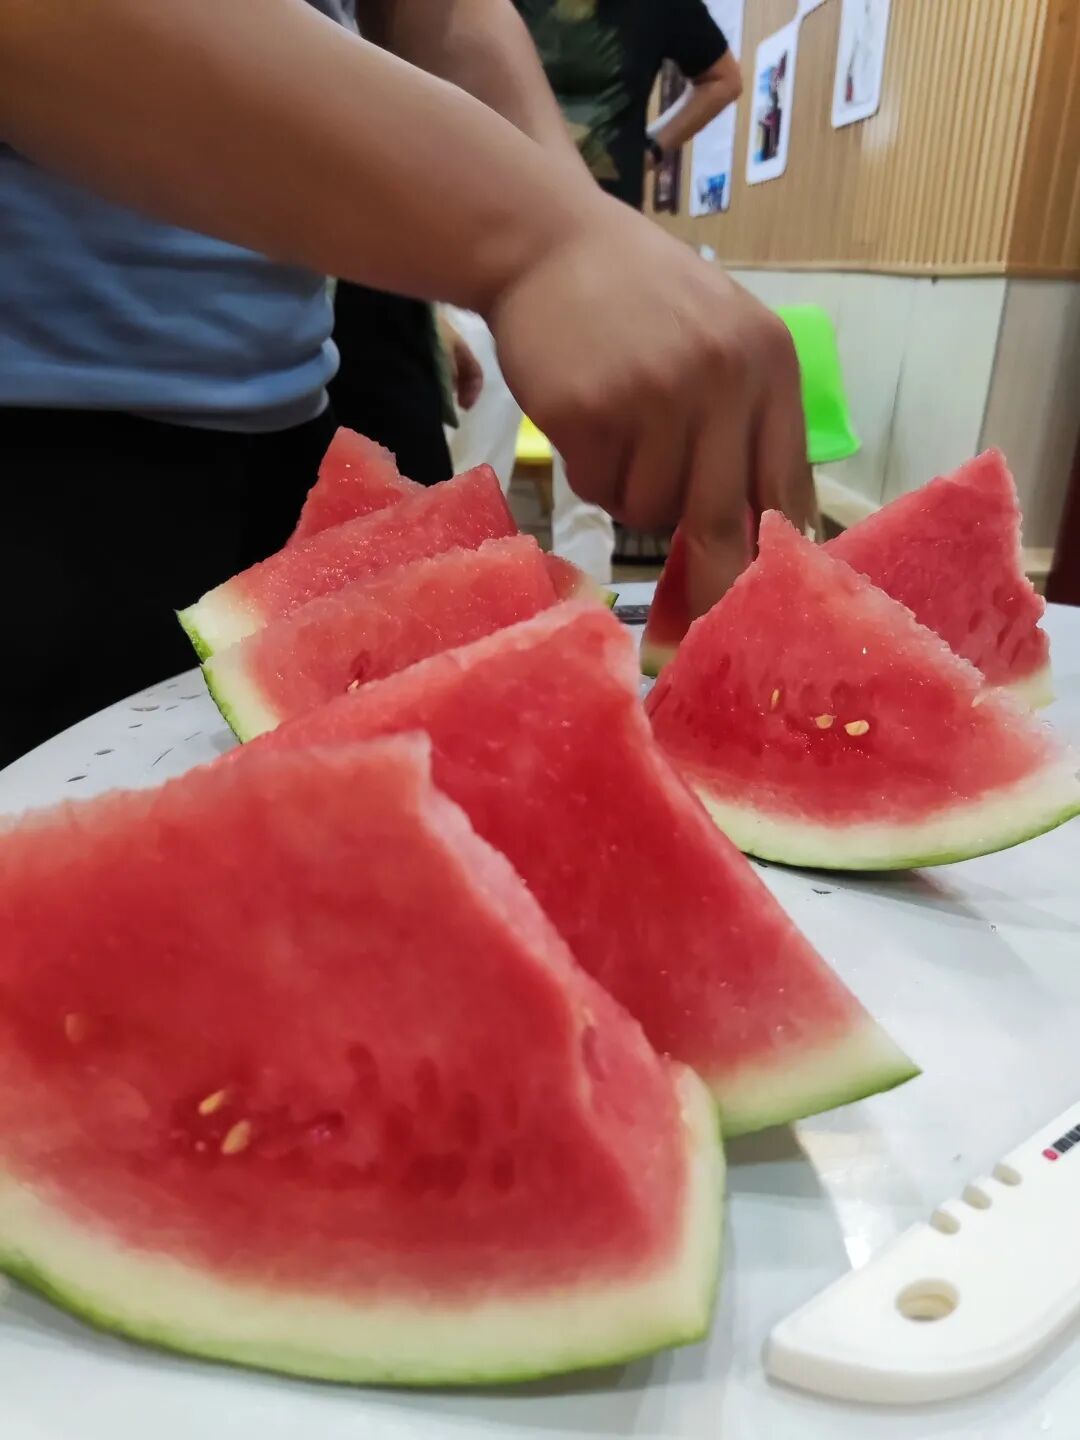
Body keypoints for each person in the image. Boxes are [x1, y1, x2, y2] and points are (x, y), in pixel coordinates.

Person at [0, 0, 813, 769]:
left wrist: (577, 220)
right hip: (47, 445)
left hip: (289, 423)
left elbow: (436, 11)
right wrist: (542, 242)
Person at [449, 0, 744, 581]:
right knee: (472, 461)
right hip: (482, 241)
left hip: (602, 256)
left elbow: (723, 78)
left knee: (591, 480)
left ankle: (587, 608)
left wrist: (652, 146)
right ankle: (460, 595)